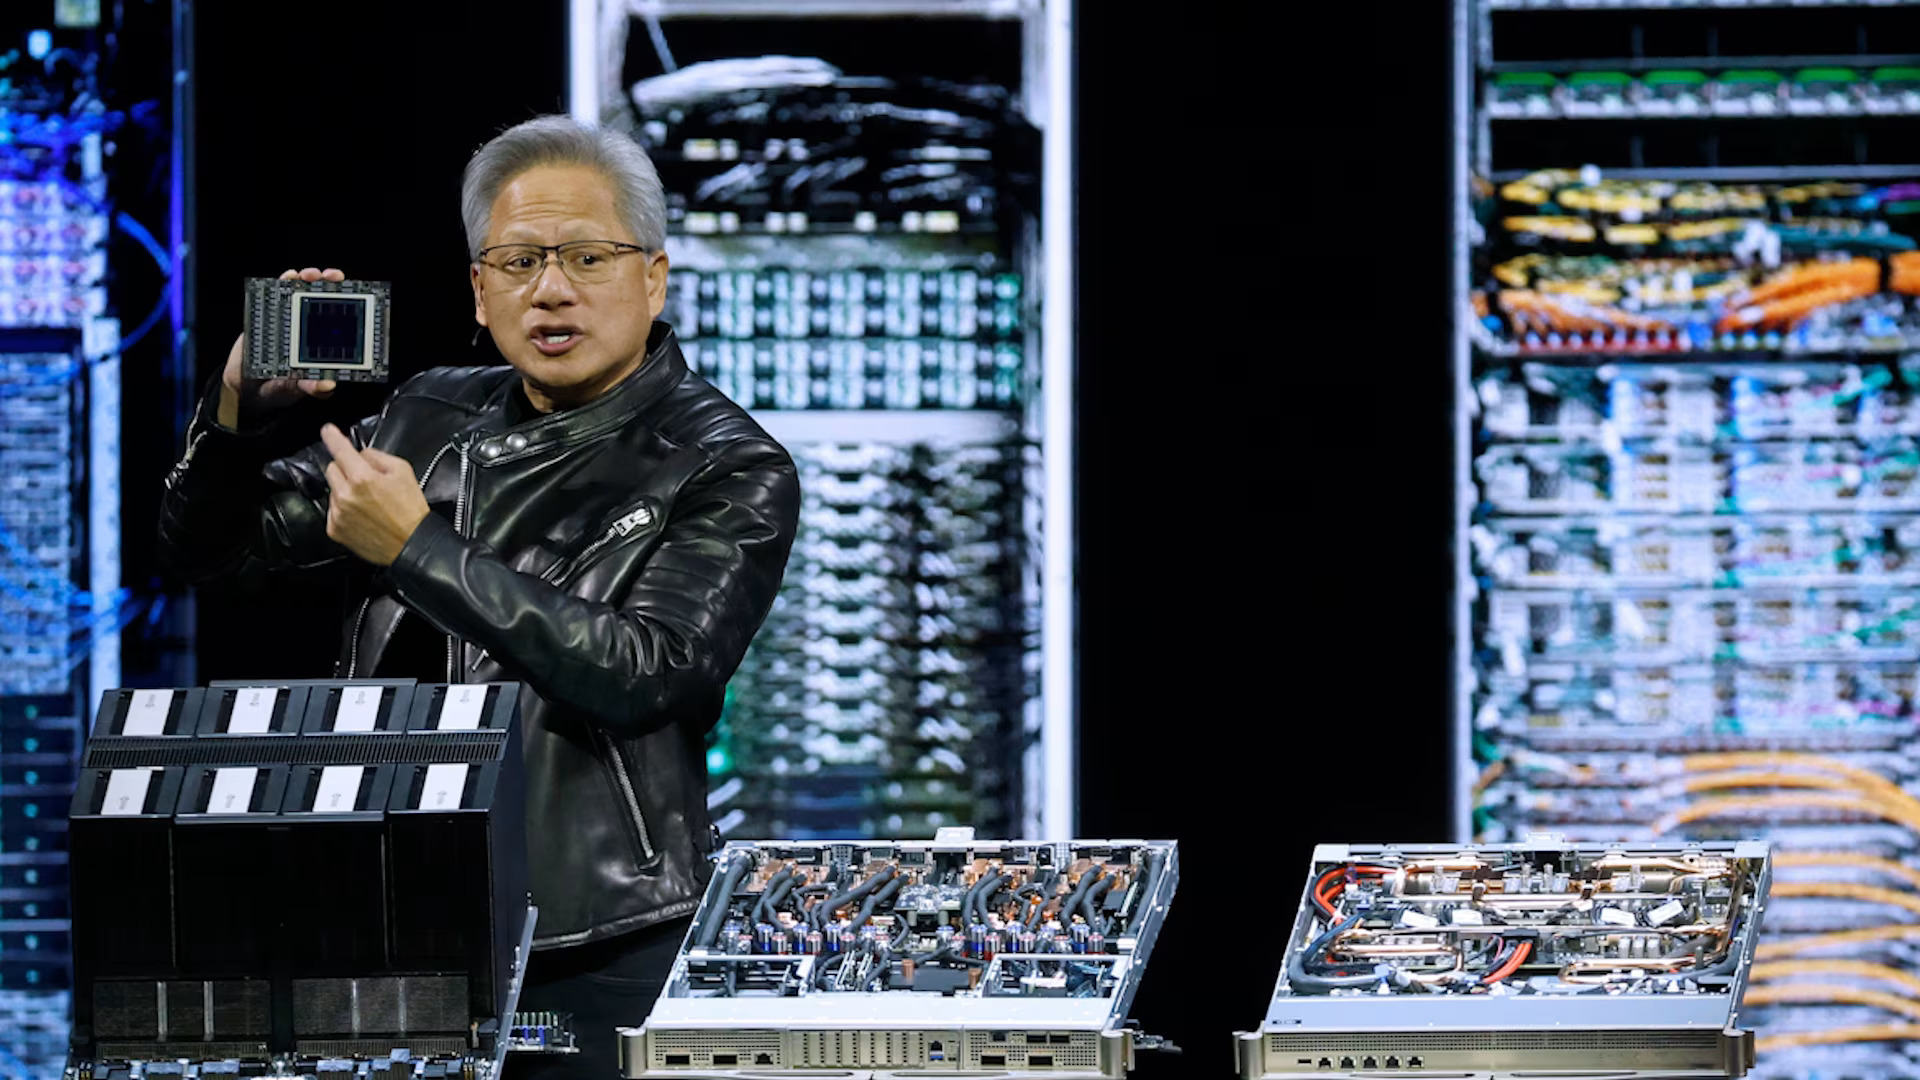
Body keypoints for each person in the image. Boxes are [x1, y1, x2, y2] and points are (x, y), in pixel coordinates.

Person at [157, 115, 801, 1077]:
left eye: (588, 255)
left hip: (602, 937)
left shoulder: (726, 463)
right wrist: (240, 407)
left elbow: (646, 669)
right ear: (477, 288)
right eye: (519, 260)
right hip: (390, 916)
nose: (551, 289)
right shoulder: (428, 411)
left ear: (654, 276)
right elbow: (207, 551)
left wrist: (417, 547)